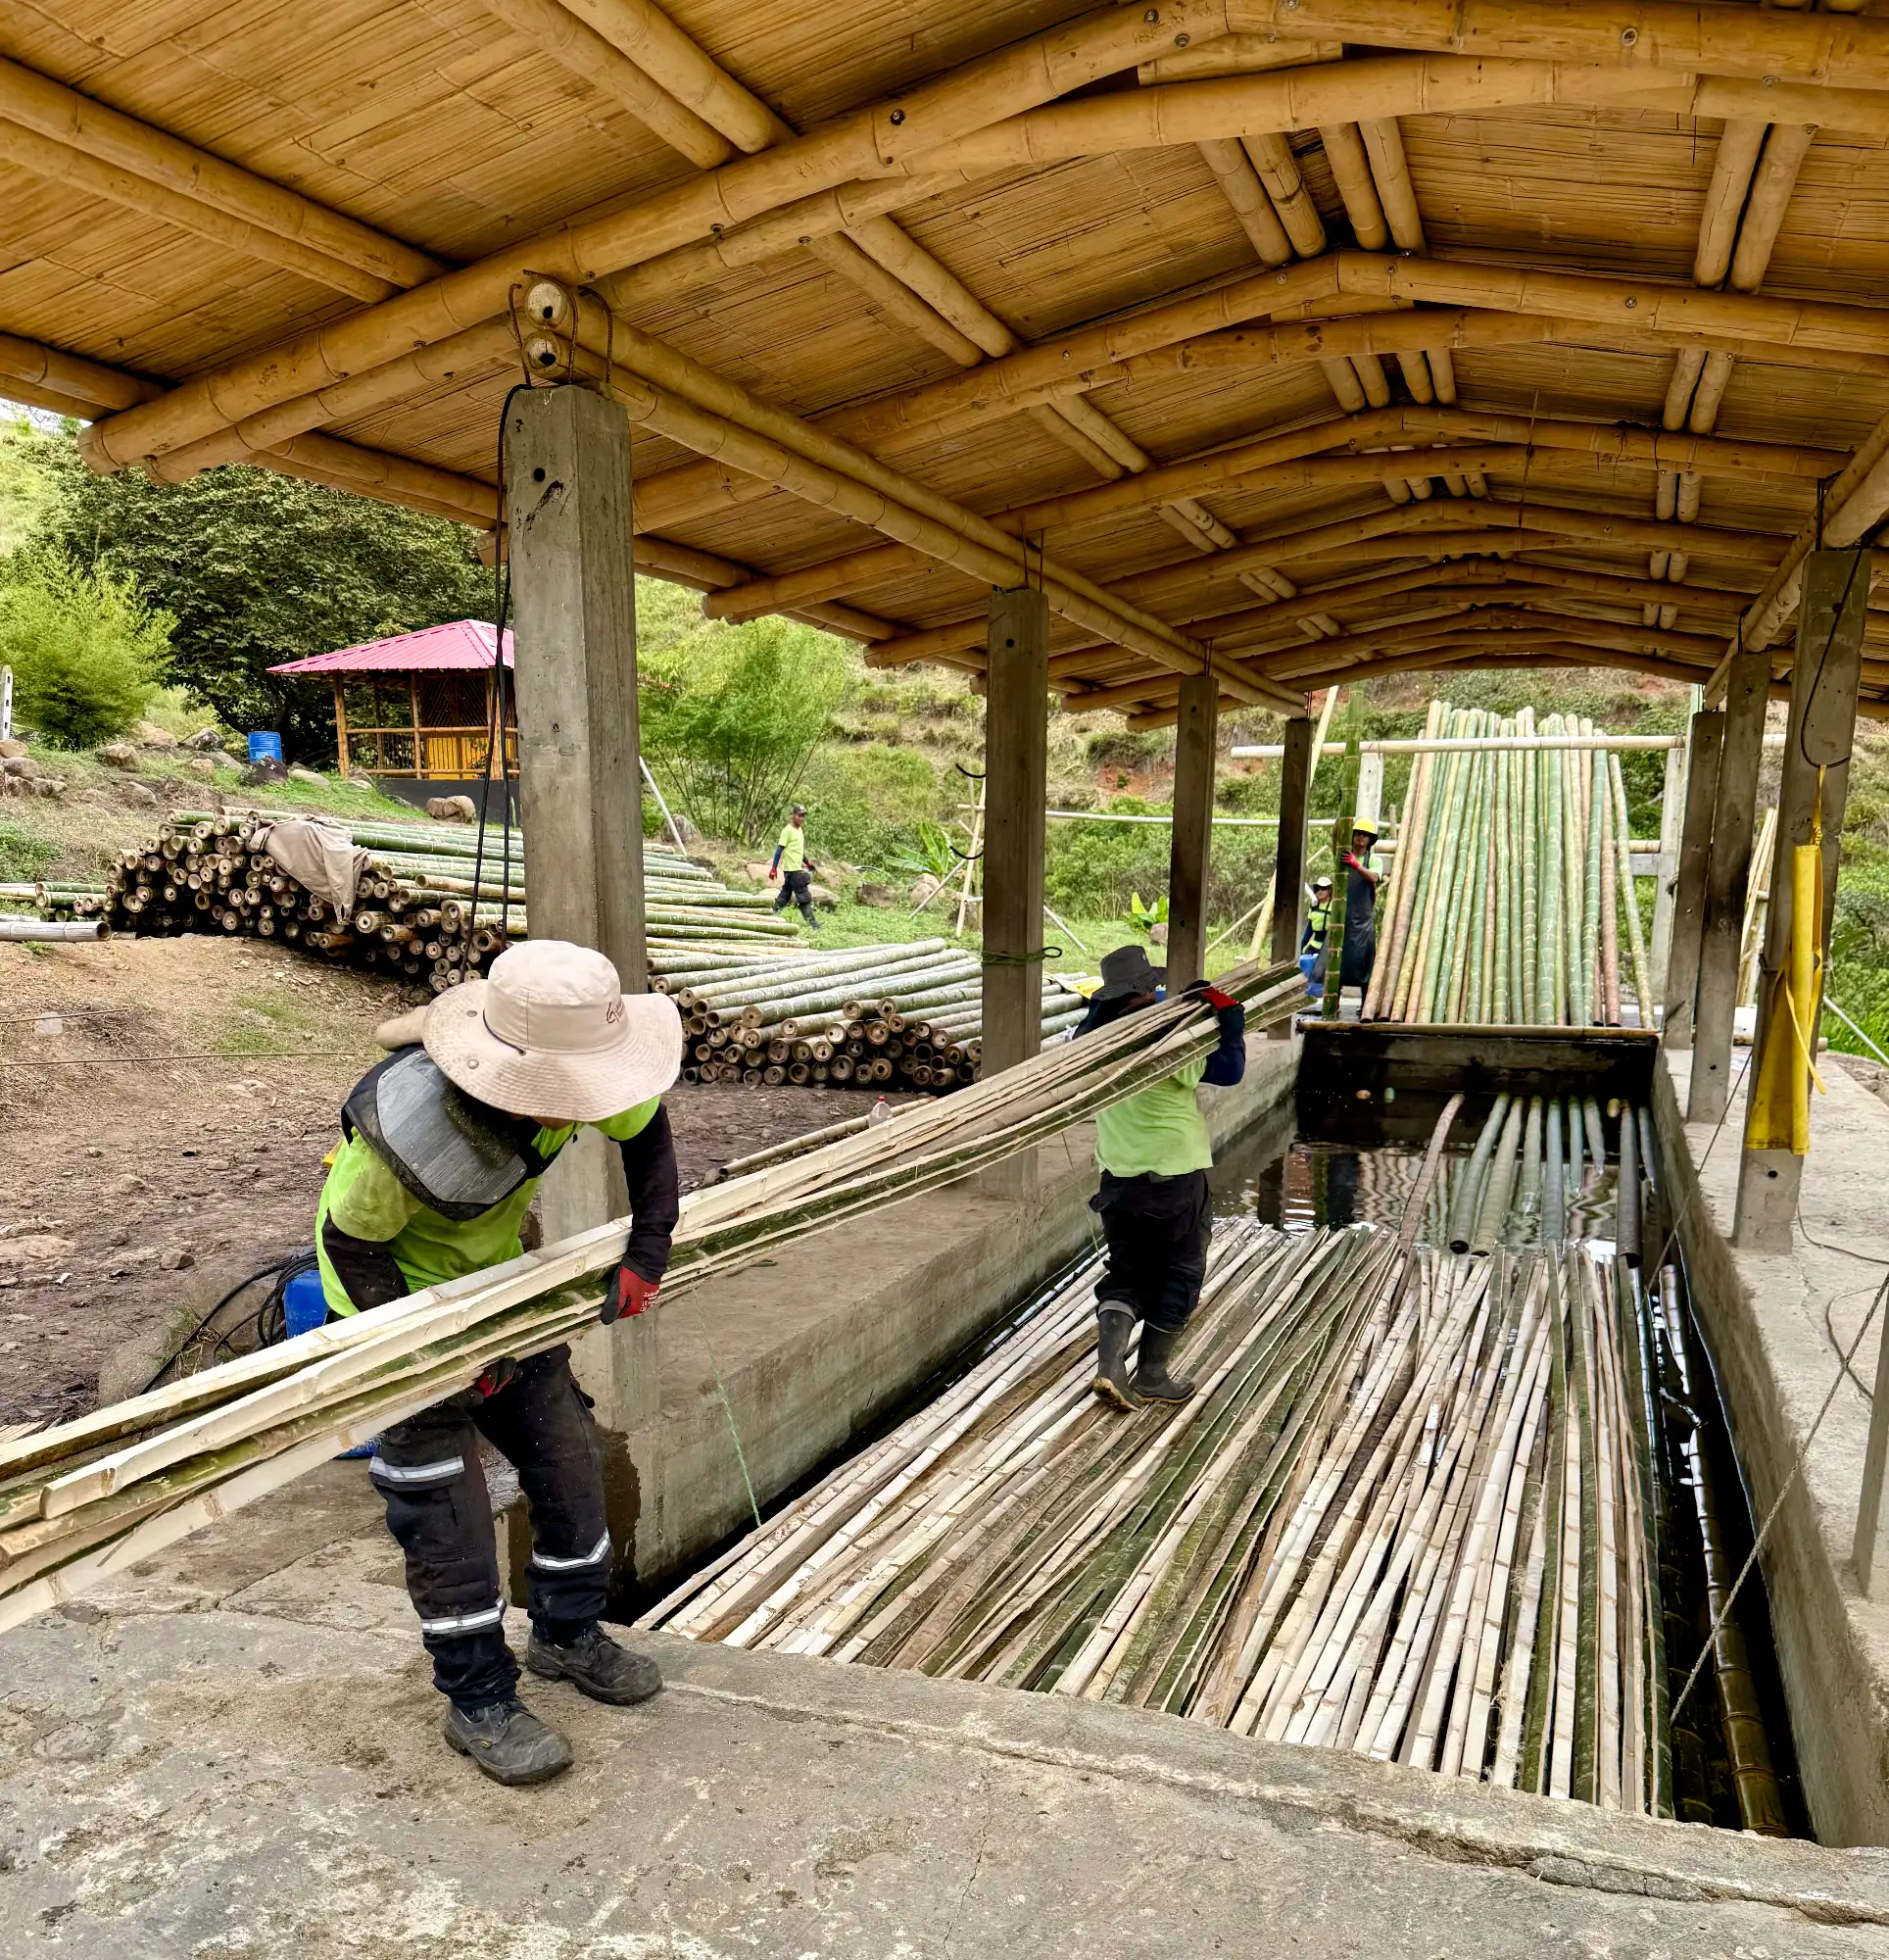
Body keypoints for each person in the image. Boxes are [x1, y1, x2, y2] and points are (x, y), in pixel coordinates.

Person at [315, 939, 683, 1788]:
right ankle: (477, 1697)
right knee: (445, 1513)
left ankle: (567, 1635)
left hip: (505, 1292)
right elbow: (351, 1249)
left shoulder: (582, 1060)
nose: (576, 1113)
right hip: (392, 1312)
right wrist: (439, 1358)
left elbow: (648, 1139)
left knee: (569, 1464)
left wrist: (647, 1251)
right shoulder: (402, 1134)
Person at [1076, 943, 1246, 1410]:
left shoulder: (1089, 1044)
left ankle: (1110, 1365)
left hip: (1118, 1181)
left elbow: (1089, 1023)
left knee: (1127, 1274)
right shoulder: (1167, 1040)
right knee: (1180, 1273)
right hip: (1174, 1179)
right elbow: (1230, 1071)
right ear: (1147, 990)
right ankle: (1151, 1374)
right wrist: (1232, 1021)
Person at [1338, 822, 1384, 1000]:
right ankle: (1333, 1004)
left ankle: (1366, 1005)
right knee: (1339, 962)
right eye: (1358, 833)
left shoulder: (1373, 860)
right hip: (1343, 917)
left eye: (1365, 835)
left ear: (1370, 840)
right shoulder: (1343, 856)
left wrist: (1355, 865)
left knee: (1366, 961)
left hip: (1363, 919)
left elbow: (1373, 878)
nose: (1360, 837)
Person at [769, 803, 819, 929]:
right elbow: (778, 850)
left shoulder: (799, 830)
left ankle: (770, 915)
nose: (802, 818)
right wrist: (773, 868)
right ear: (793, 815)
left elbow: (798, 850)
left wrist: (807, 863)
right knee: (804, 897)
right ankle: (814, 925)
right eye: (800, 815)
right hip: (792, 870)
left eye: (803, 816)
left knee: (785, 895)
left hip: (795, 869)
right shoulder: (787, 830)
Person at [1300, 873, 1332, 1000]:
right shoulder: (1314, 906)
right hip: (1315, 943)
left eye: (1323, 888)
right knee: (1305, 965)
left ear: (1329, 890)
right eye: (1318, 888)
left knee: (1322, 971)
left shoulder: (1334, 906)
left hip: (1328, 945)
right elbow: (1309, 930)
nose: (1320, 891)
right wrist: (1301, 948)